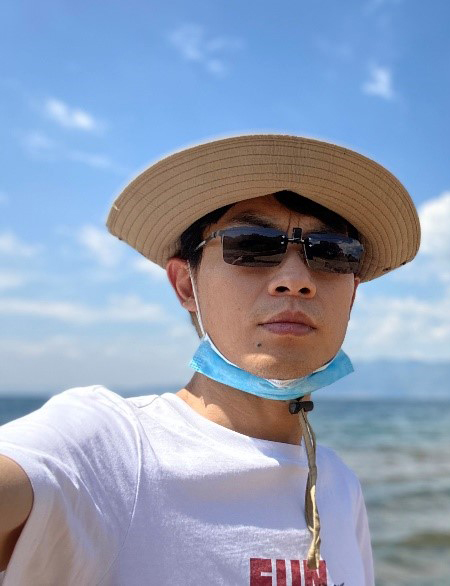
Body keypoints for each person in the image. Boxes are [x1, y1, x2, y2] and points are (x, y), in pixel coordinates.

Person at [0, 134, 420, 585]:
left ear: (352, 295)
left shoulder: (339, 486)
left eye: (332, 253)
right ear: (186, 285)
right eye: (252, 243)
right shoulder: (109, 450)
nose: (296, 279)